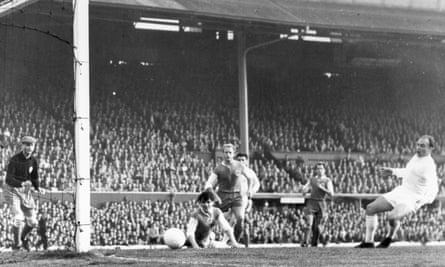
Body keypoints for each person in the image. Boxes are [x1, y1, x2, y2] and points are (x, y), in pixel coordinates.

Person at [356, 135, 438, 248]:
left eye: (422, 146)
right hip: (402, 190)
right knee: (370, 208)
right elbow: (409, 172)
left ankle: (390, 237)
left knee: (392, 217)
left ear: (431, 148)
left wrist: (422, 201)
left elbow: (434, 187)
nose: (418, 148)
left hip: (413, 197)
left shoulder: (428, 166)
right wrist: (392, 171)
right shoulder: (417, 156)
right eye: (418, 145)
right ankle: (368, 242)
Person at [204, 144, 257, 243]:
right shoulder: (218, 169)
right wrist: (214, 196)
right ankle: (204, 238)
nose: (228, 155)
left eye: (230, 153)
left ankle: (234, 243)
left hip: (237, 196)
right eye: (226, 152)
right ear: (223, 153)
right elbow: (208, 185)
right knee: (212, 218)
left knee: (240, 218)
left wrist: (250, 190)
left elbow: (250, 178)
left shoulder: (239, 165)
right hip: (222, 196)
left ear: (233, 153)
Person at [4, 136, 46, 251]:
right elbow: (8, 179)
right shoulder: (14, 160)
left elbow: (34, 177)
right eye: (26, 145)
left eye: (31, 145)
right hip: (12, 190)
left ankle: (23, 238)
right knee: (18, 218)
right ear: (22, 146)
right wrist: (21, 183)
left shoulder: (33, 160)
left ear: (34, 147)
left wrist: (38, 188)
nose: (28, 147)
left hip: (25, 191)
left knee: (33, 222)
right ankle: (17, 246)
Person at [301, 162, 334, 247]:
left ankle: (314, 243)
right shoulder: (312, 179)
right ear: (316, 170)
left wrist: (322, 188)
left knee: (318, 227)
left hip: (321, 203)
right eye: (318, 169)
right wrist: (304, 190)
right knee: (309, 224)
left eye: (321, 168)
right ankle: (305, 242)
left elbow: (331, 194)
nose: (319, 170)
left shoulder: (327, 180)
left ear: (324, 170)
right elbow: (306, 188)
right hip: (311, 202)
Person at [235, 152, 260, 247]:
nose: (241, 161)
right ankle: (234, 243)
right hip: (234, 200)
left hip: (245, 200)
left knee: (244, 224)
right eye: (239, 160)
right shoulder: (233, 171)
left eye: (243, 160)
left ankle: (246, 246)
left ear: (246, 161)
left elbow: (257, 184)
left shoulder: (250, 172)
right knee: (235, 222)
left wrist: (252, 192)